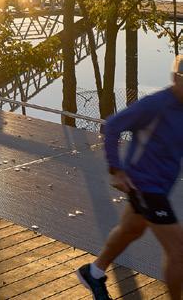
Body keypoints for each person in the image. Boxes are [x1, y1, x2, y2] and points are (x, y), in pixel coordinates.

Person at [77, 54, 183, 300]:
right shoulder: (155, 105)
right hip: (145, 186)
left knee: (131, 230)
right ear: (175, 78)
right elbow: (113, 125)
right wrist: (116, 169)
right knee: (179, 252)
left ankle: (94, 272)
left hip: (159, 186)